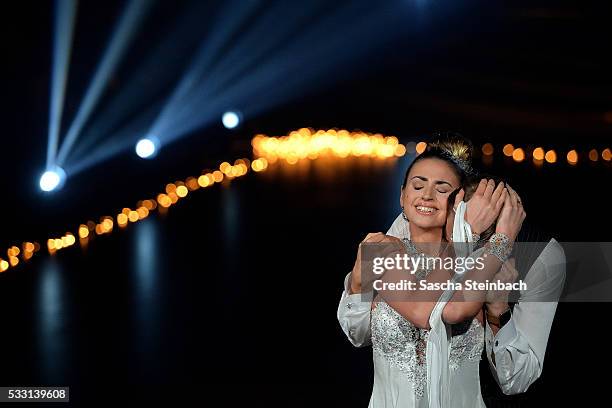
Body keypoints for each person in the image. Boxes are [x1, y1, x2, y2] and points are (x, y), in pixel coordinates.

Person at [338, 135, 526, 407]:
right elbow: (426, 311)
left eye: (442, 188)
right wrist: (498, 240)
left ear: (461, 202)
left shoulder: (481, 265)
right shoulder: (387, 251)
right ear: (402, 196)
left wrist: (498, 315)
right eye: (418, 185)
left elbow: (513, 378)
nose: (427, 195)